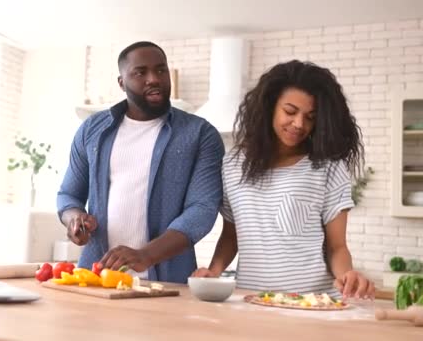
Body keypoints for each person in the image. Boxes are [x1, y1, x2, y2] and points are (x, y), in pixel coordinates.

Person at [192, 60, 375, 299]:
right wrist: (214, 270)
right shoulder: (233, 164)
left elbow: (336, 246)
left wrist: (347, 275)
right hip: (254, 300)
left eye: (310, 117)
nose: (299, 124)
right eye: (290, 112)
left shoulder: (327, 166)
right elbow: (231, 235)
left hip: (314, 302)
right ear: (268, 108)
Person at [57, 41, 224, 283]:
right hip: (97, 279)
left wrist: (145, 255)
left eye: (160, 70)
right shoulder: (92, 130)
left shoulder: (200, 134)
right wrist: (75, 219)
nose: (153, 79)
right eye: (140, 72)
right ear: (122, 82)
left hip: (167, 283)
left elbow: (202, 210)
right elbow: (68, 195)